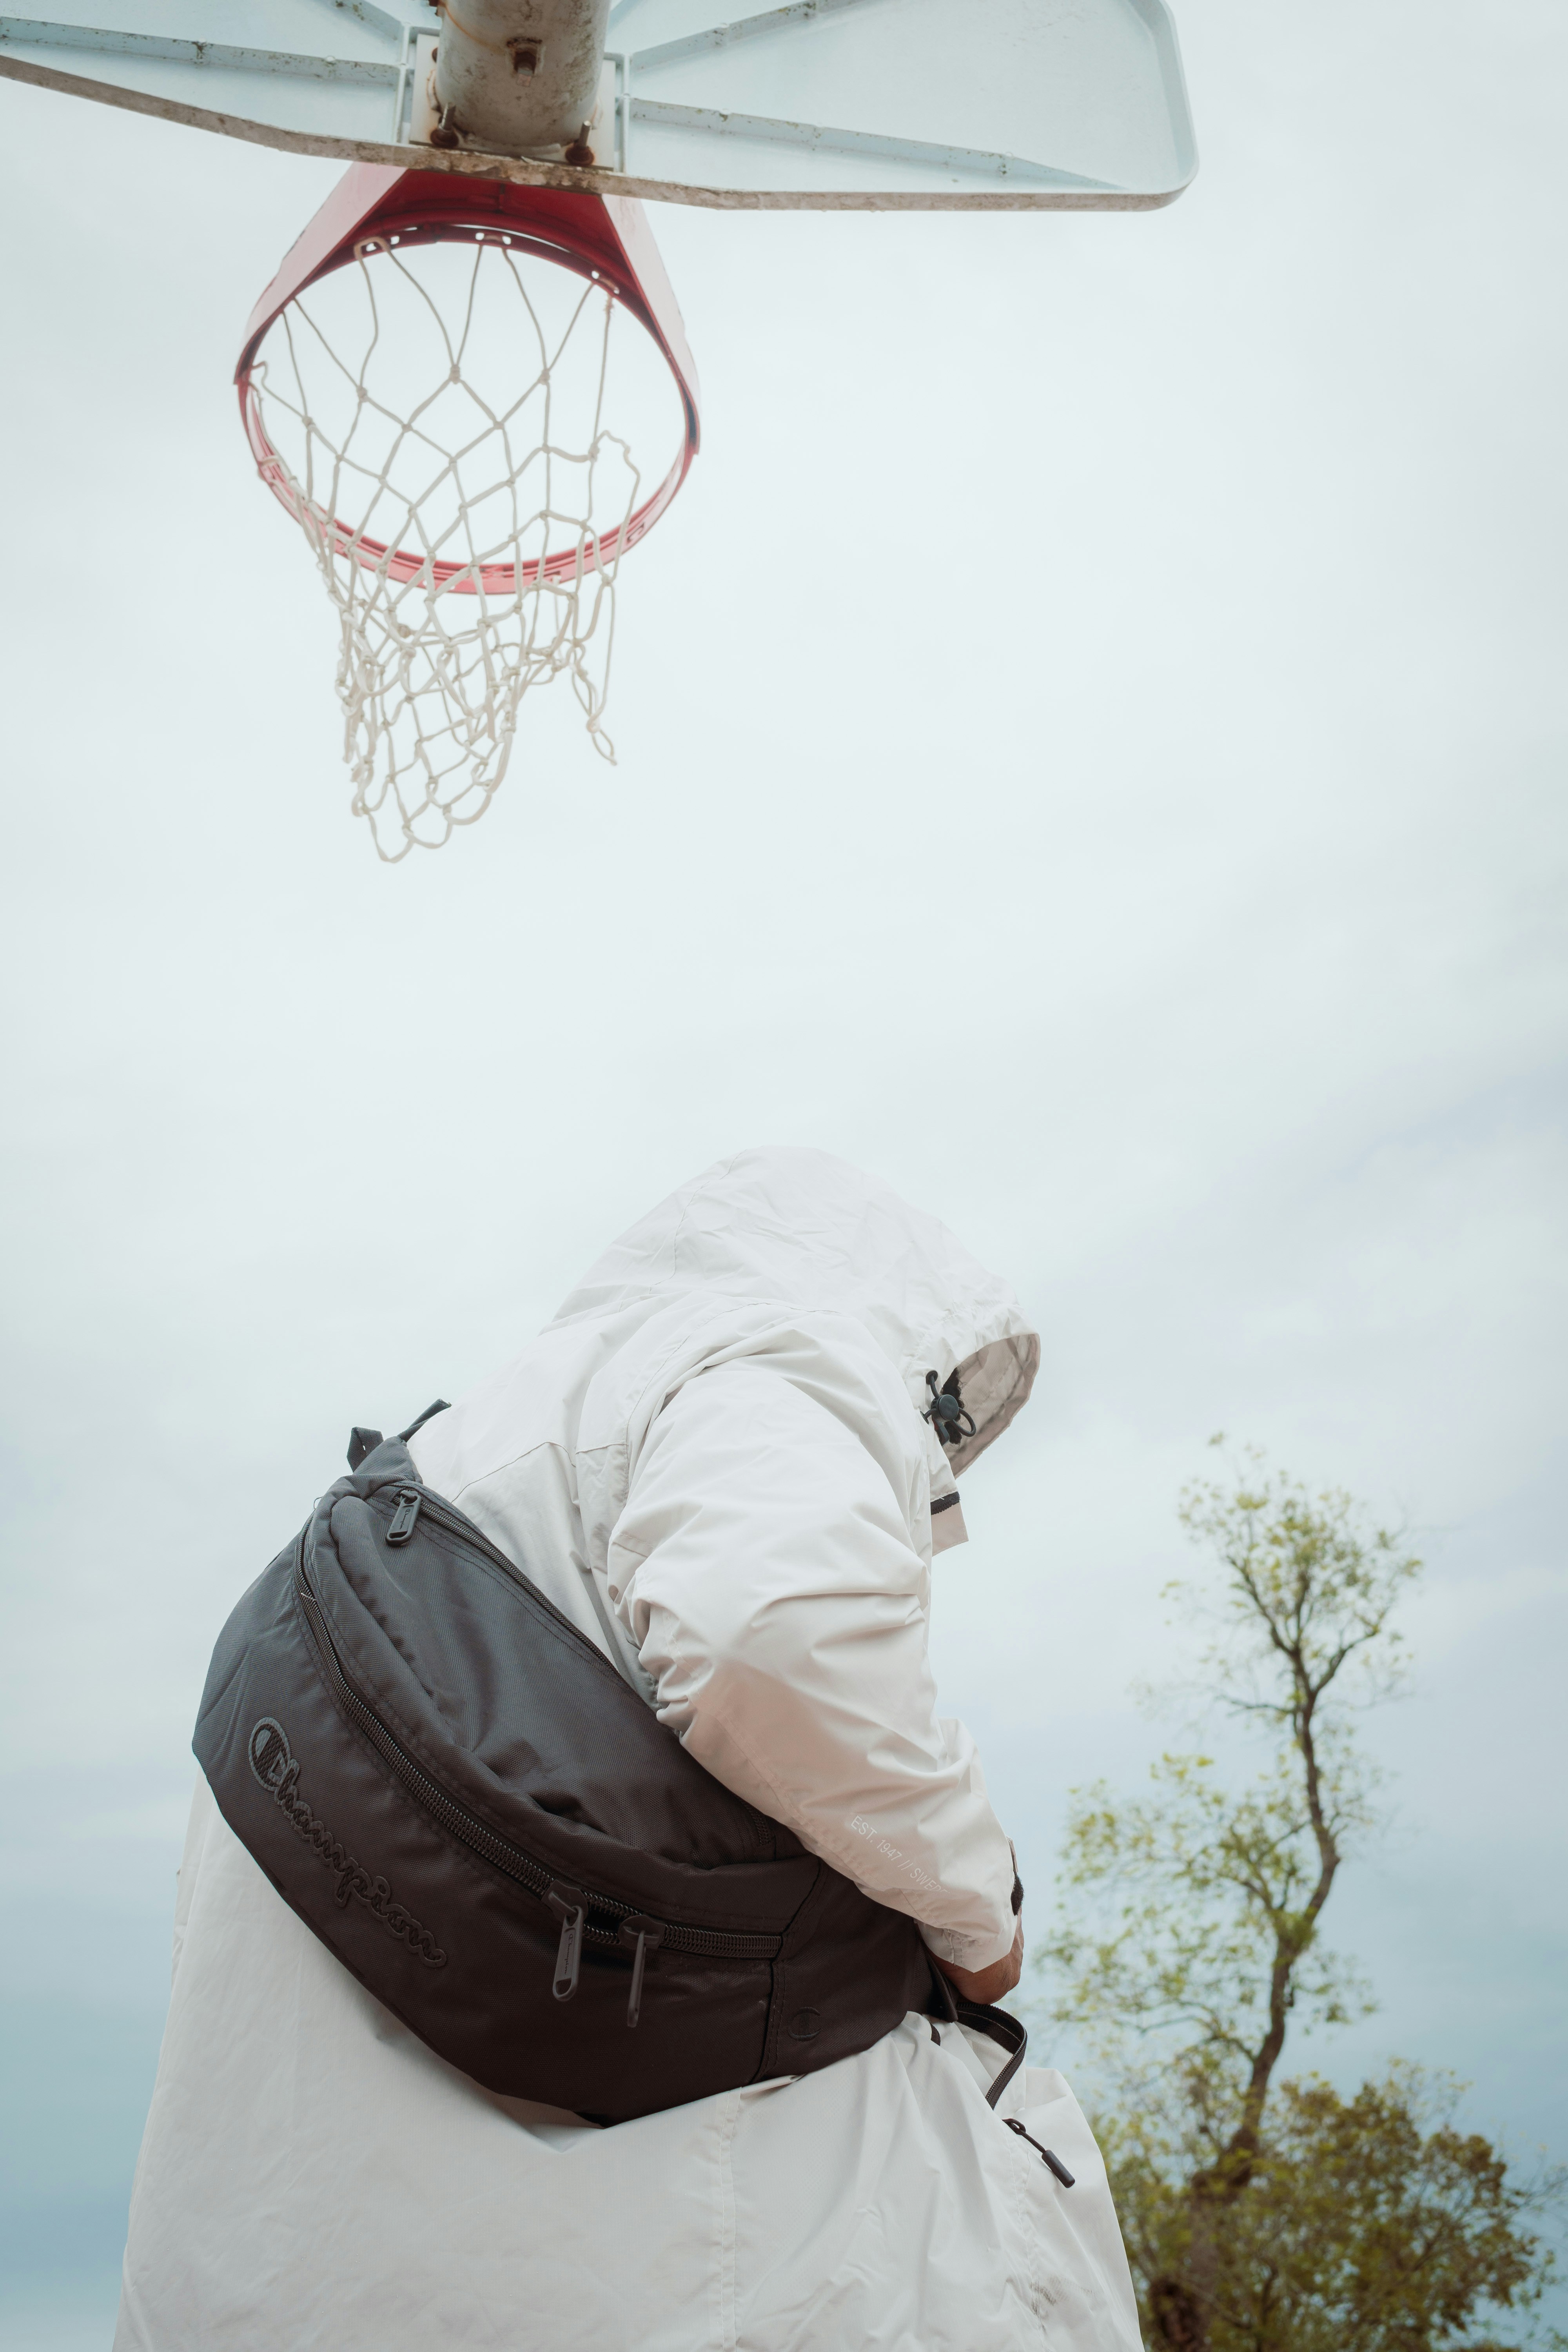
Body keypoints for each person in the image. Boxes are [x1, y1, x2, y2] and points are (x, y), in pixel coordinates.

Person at [116, 1148, 1142, 2352]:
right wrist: (980, 1907)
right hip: (662, 2265)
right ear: (900, 1313)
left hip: (275, 2271)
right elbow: (768, 1637)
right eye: (944, 1408)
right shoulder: (786, 1352)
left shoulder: (457, 1465)